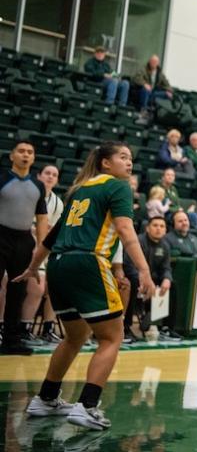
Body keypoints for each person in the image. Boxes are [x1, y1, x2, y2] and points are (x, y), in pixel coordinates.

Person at [16, 141, 154, 430]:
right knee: (112, 337)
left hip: (59, 264)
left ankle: (46, 398)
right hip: (89, 263)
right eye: (123, 157)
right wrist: (144, 269)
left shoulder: (80, 191)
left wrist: (32, 268)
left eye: (131, 158)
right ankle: (88, 406)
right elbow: (127, 231)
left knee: (75, 336)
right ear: (106, 162)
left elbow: (51, 238)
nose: (129, 163)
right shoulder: (118, 187)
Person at [0, 140, 50, 355]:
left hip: (23, 241)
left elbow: (41, 219)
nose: (25, 155)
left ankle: (11, 339)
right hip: (0, 236)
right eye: (21, 151)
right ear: (12, 156)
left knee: (17, 290)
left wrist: (41, 248)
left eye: (30, 152)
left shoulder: (38, 186)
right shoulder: (2, 178)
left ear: (34, 158)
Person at [19, 164, 63, 347]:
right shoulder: (28, 195)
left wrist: (45, 232)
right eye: (47, 173)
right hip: (22, 247)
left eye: (54, 175)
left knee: (56, 285)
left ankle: (47, 329)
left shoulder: (58, 202)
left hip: (43, 251)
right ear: (39, 176)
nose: (51, 177)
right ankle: (21, 328)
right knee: (36, 287)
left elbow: (56, 231)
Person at [124, 216, 180, 342]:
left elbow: (166, 268)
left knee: (172, 285)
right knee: (131, 282)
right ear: (147, 228)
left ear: (166, 230)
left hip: (152, 282)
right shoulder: (137, 242)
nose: (158, 229)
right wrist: (143, 281)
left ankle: (166, 328)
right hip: (135, 278)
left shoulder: (165, 246)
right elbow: (128, 265)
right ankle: (125, 328)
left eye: (162, 226)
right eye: (155, 225)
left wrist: (167, 278)